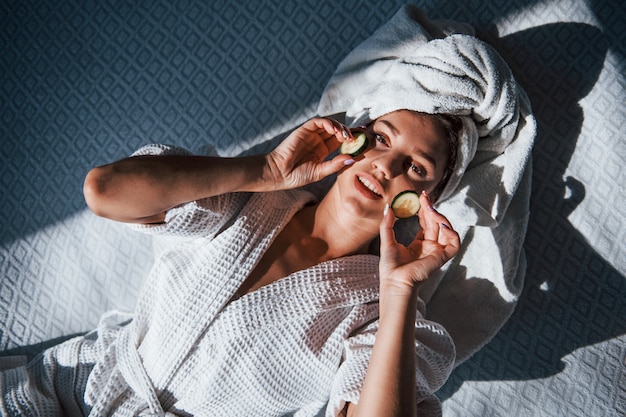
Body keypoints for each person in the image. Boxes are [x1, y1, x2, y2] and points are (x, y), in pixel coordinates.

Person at [1, 5, 536, 417]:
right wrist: (263, 172)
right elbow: (104, 190)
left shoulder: (383, 316)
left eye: (416, 168)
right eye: (380, 138)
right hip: (63, 385)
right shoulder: (250, 201)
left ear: (430, 201)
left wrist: (399, 290)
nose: (386, 166)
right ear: (352, 137)